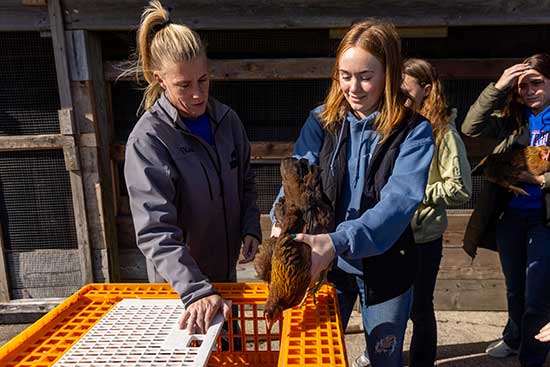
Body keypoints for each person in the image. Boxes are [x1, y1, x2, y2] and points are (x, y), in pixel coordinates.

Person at [271, 19, 434, 367]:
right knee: (313, 354)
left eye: (365, 76)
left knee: (384, 358)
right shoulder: (321, 121)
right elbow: (297, 175)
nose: (354, 87)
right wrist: (281, 218)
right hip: (326, 264)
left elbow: (399, 201)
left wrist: (339, 241)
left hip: (387, 264)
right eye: (345, 75)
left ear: (389, 73)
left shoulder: (414, 131)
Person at [124, 0, 261, 335]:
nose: (198, 95)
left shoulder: (228, 122)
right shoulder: (149, 139)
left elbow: (245, 181)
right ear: (160, 80)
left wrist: (250, 227)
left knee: (230, 349)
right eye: (183, 86)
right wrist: (195, 290)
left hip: (226, 277)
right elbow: (155, 229)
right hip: (180, 290)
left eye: (203, 80)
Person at [462, 54, 550, 366]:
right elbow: (471, 126)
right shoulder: (514, 120)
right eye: (523, 86)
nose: (529, 91)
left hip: (544, 219)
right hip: (510, 215)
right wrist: (499, 86)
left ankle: (532, 357)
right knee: (514, 288)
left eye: (537, 83)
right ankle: (515, 338)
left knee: (537, 292)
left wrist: (540, 179)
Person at [402, 58, 472, 367]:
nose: (398, 93)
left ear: (426, 89)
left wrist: (417, 195)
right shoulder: (396, 123)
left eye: (405, 87)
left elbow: (459, 188)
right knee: (387, 304)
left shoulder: (444, 133)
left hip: (423, 236)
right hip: (391, 233)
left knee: (419, 308)